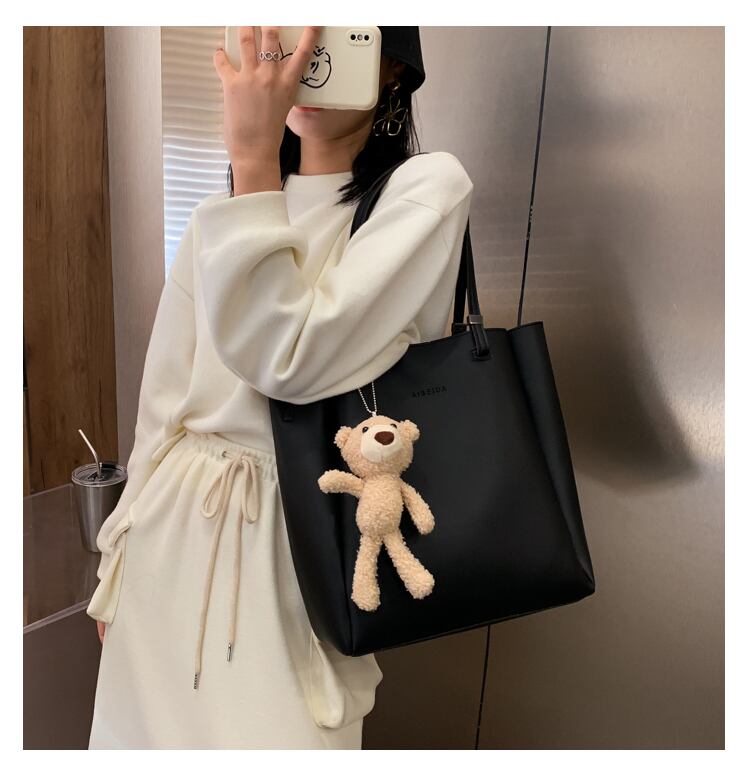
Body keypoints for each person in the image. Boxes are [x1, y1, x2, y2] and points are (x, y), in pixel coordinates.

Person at [86, 25, 474, 749]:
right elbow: (162, 404)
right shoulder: (226, 210)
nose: (304, 60)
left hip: (302, 545)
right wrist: (117, 556)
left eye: (336, 39)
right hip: (168, 537)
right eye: (291, 35)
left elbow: (287, 360)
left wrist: (253, 156)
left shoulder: (426, 189)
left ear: (393, 67)